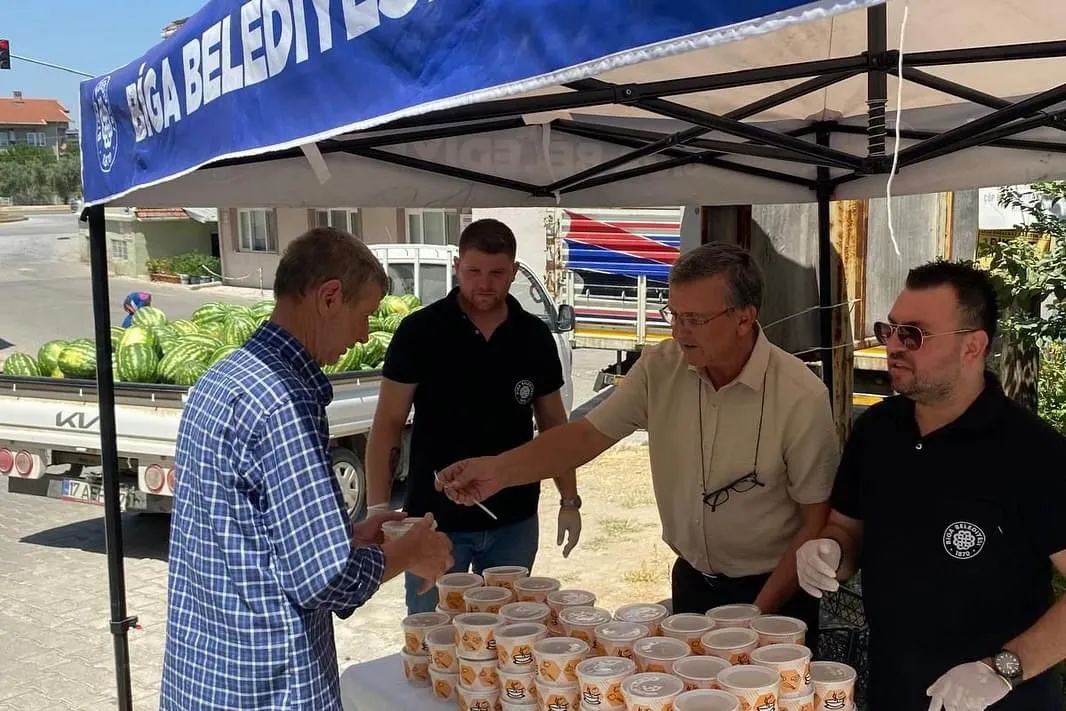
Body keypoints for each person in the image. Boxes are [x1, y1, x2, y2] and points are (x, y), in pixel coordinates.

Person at [436, 241, 840, 647]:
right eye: (674, 315)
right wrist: (497, 471)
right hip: (692, 585)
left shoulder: (800, 396)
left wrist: (756, 614)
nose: (679, 331)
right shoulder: (660, 367)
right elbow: (585, 436)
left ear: (744, 318)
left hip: (776, 595)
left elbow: (816, 520)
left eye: (695, 319)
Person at [160, 227, 454, 711]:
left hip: (204, 674)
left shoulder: (224, 376)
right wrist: (408, 552)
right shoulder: (283, 401)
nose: (364, 335)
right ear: (329, 297)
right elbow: (323, 578)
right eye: (365, 315)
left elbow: (251, 536)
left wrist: (353, 536)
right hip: (267, 685)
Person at [795, 259, 1066, 711]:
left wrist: (1004, 668)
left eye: (913, 335)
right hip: (893, 689)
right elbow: (847, 527)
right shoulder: (877, 431)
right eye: (889, 330)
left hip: (997, 699)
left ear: (972, 346)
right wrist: (829, 551)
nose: (892, 346)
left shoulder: (1034, 453)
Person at [365, 218, 581, 615]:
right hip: (432, 522)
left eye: (497, 273)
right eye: (473, 271)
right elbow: (388, 423)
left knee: (507, 632)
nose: (484, 283)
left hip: (514, 518)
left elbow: (555, 426)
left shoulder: (533, 336)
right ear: (457, 267)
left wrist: (570, 499)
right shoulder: (420, 331)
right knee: (432, 632)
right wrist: (379, 511)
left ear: (514, 271)